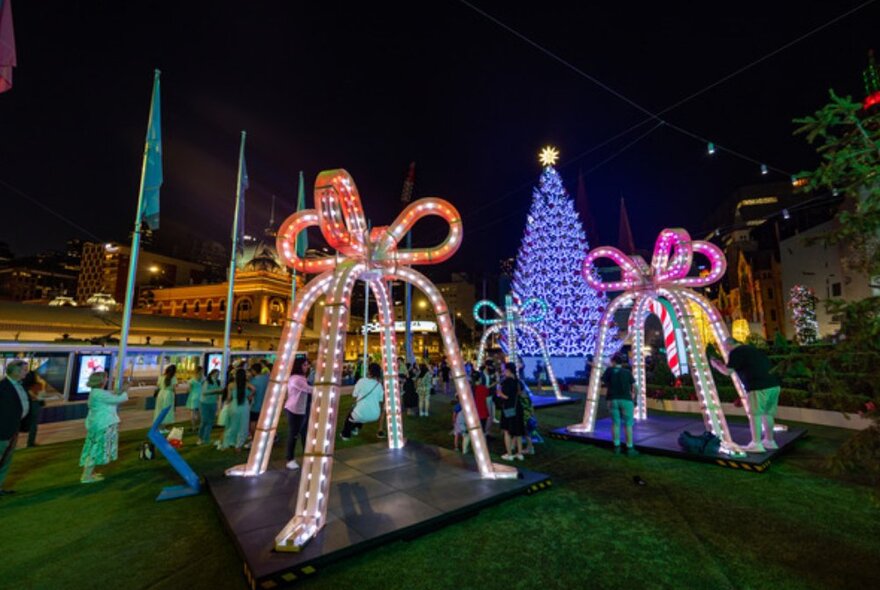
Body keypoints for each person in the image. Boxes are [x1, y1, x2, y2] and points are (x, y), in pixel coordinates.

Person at [711, 337, 781, 452]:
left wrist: (716, 365)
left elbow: (727, 372)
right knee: (768, 414)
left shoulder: (736, 352)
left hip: (758, 387)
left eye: (724, 346)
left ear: (729, 344)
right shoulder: (751, 349)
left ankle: (756, 444)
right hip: (773, 385)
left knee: (755, 415)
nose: (724, 349)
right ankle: (770, 441)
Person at [79, 371, 128, 483]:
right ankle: (86, 476)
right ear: (101, 381)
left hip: (98, 424)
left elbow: (113, 398)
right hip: (103, 424)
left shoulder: (96, 393)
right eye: (105, 378)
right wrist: (125, 390)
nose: (107, 380)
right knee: (95, 450)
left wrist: (122, 391)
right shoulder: (99, 394)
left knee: (94, 449)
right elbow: (118, 399)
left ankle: (90, 473)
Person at [0, 360, 32, 495]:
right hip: (2, 431)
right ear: (15, 371)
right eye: (25, 370)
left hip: (14, 428)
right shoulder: (2, 387)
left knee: (6, 460)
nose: (27, 372)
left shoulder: (21, 385)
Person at [602, 354, 638, 456]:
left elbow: (604, 381)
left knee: (615, 423)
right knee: (628, 424)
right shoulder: (627, 372)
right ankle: (629, 447)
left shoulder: (609, 371)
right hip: (626, 399)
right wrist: (635, 399)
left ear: (613, 361)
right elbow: (636, 387)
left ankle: (616, 446)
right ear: (622, 362)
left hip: (612, 399)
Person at [341, 363, 384, 440]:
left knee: (351, 416)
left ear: (369, 371)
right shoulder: (379, 385)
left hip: (361, 413)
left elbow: (354, 395)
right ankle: (356, 428)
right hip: (375, 415)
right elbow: (380, 400)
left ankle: (345, 435)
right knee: (360, 412)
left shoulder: (361, 381)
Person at [284, 357, 312, 470]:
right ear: (298, 366)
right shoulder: (296, 379)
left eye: (307, 365)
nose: (307, 367)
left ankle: (307, 455)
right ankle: (289, 459)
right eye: (304, 365)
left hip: (301, 409)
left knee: (305, 433)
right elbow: (309, 389)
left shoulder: (301, 377)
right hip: (294, 410)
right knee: (294, 434)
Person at [220, 368, 254, 452]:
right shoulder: (246, 384)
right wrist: (250, 395)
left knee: (232, 425)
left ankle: (227, 443)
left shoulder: (231, 385)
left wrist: (225, 406)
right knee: (243, 425)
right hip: (243, 405)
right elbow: (254, 389)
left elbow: (228, 398)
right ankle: (238, 445)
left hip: (234, 405)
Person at [498, 362, 525, 461]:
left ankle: (509, 454)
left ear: (508, 370)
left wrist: (500, 393)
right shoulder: (518, 381)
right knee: (518, 431)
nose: (503, 371)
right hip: (518, 407)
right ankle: (520, 453)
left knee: (507, 431)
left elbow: (506, 396)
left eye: (504, 370)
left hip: (508, 408)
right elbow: (521, 393)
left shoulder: (506, 382)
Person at [198, 369, 223, 445]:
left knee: (210, 422)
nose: (217, 375)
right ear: (211, 374)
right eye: (216, 374)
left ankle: (206, 439)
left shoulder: (218, 382)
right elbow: (204, 392)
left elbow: (219, 392)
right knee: (204, 421)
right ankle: (200, 437)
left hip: (213, 403)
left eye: (218, 374)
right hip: (204, 403)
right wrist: (215, 391)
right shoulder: (207, 381)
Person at [22, 371, 47, 447]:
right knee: (33, 426)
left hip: (24, 406)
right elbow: (41, 398)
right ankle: (30, 443)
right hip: (35, 406)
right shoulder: (39, 385)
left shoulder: (23, 385)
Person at [249, 361, 270, 441]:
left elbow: (250, 394)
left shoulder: (252, 381)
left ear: (254, 371)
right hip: (265, 405)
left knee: (253, 422)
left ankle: (254, 438)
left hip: (255, 405)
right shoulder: (266, 378)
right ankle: (263, 438)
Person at [153, 364, 177, 434]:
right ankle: (162, 428)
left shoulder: (161, 377)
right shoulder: (173, 378)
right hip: (168, 394)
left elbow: (158, 386)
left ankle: (159, 427)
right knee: (166, 411)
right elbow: (173, 388)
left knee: (159, 410)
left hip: (161, 394)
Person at [185, 366, 205, 434]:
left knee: (192, 413)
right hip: (201, 396)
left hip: (193, 396)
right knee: (200, 412)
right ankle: (200, 426)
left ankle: (194, 427)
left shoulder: (192, 380)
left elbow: (189, 390)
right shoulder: (203, 379)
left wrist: (187, 391)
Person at [470, 368, 491, 432]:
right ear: (480, 379)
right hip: (482, 413)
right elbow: (487, 400)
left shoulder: (470, 389)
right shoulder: (483, 389)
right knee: (482, 431)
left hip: (472, 413)